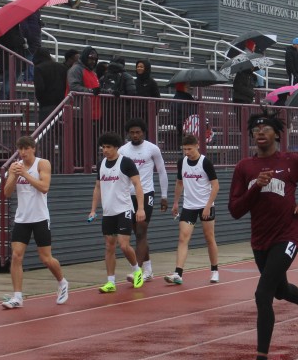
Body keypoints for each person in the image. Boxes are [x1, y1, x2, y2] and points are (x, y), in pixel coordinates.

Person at [229, 111, 298, 360]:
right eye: (256, 128)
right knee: (280, 291)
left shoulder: (290, 162)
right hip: (260, 240)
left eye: (266, 128)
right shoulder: (245, 167)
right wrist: (255, 188)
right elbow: (235, 210)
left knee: (263, 294)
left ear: (276, 134)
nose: (260, 132)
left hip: (287, 235)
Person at [1, 136, 69, 309]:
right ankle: (17, 297)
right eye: (20, 149)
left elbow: (44, 187)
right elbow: (7, 193)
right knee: (16, 256)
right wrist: (14, 176)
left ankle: (62, 282)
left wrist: (24, 174)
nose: (23, 152)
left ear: (33, 149)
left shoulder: (42, 164)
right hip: (22, 218)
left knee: (46, 258)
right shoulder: (15, 166)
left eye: (26, 148)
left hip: (40, 217)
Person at [88, 132, 146, 293]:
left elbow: (137, 185)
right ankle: (110, 282)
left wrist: (140, 208)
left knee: (124, 245)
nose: (105, 150)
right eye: (103, 147)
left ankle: (137, 270)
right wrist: (93, 210)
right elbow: (97, 187)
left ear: (116, 147)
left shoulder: (126, 162)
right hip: (108, 212)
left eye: (108, 147)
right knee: (109, 246)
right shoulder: (101, 164)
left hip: (124, 209)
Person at [165, 135, 220, 285]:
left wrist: (208, 206)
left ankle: (214, 270)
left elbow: (215, 186)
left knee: (209, 238)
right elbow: (179, 183)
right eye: (184, 149)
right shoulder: (182, 162)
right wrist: (175, 203)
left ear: (197, 146)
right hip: (189, 206)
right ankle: (178, 273)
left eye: (189, 149)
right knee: (183, 238)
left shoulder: (205, 162)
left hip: (205, 205)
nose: (187, 152)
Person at [120, 119, 168, 283]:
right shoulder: (123, 150)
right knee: (138, 234)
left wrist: (164, 196)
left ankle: (138, 271)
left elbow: (162, 171)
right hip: (128, 195)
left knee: (141, 232)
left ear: (144, 133)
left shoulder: (152, 149)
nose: (135, 135)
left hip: (146, 194)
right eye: (132, 132)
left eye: (138, 132)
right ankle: (148, 270)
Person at [33, 49, 69, 123]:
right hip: (61, 103)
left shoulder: (39, 68)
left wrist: (41, 100)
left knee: (45, 128)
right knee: (59, 128)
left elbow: (39, 87)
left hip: (46, 104)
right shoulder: (62, 67)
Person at [0, 24, 26, 100]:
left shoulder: (7, 28)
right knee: (9, 80)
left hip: (11, 59)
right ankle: (4, 99)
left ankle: (8, 98)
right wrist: (23, 40)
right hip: (11, 59)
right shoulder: (9, 28)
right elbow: (12, 41)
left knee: (10, 80)